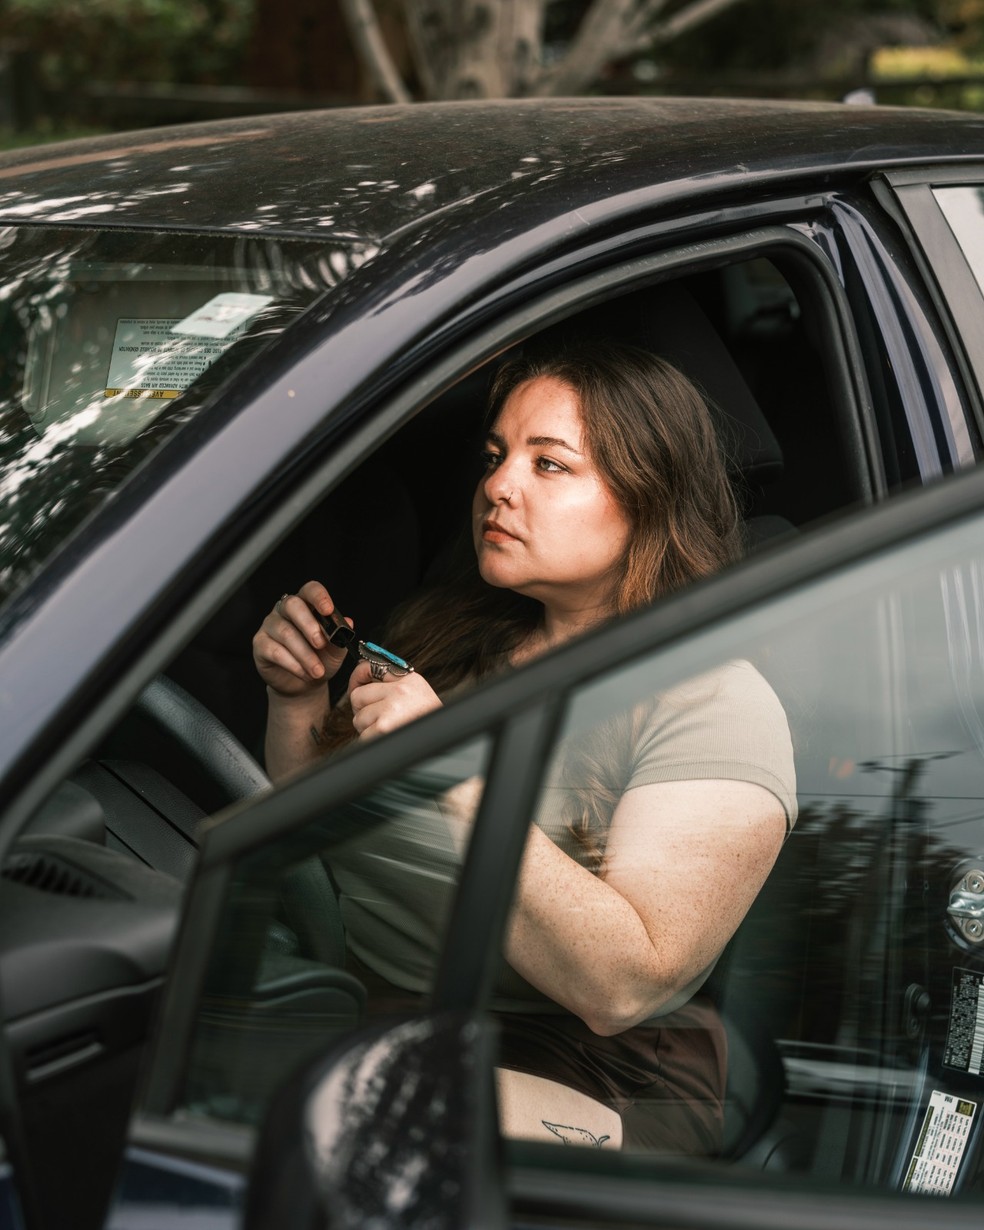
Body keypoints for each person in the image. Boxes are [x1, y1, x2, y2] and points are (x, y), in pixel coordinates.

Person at [252, 340, 797, 1153]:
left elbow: (622, 984)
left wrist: (450, 770)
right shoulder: (443, 637)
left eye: (550, 466)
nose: (497, 486)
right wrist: (296, 700)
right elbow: (323, 849)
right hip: (363, 1013)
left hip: (579, 1064)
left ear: (648, 496)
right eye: (497, 456)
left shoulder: (716, 699)